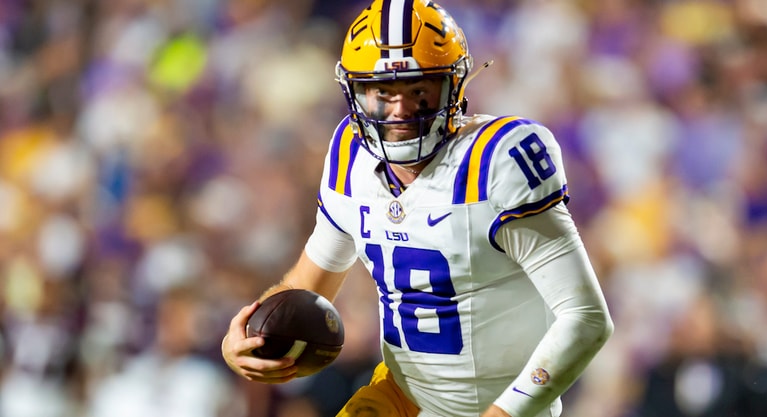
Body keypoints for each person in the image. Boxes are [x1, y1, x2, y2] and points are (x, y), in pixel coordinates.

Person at [221, 1, 614, 416]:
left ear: (454, 87)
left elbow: (585, 318)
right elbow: (309, 284)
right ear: (356, 92)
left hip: (502, 407)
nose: (400, 110)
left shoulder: (497, 160)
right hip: (401, 397)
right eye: (383, 92)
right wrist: (247, 338)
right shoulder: (349, 155)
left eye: (419, 91)